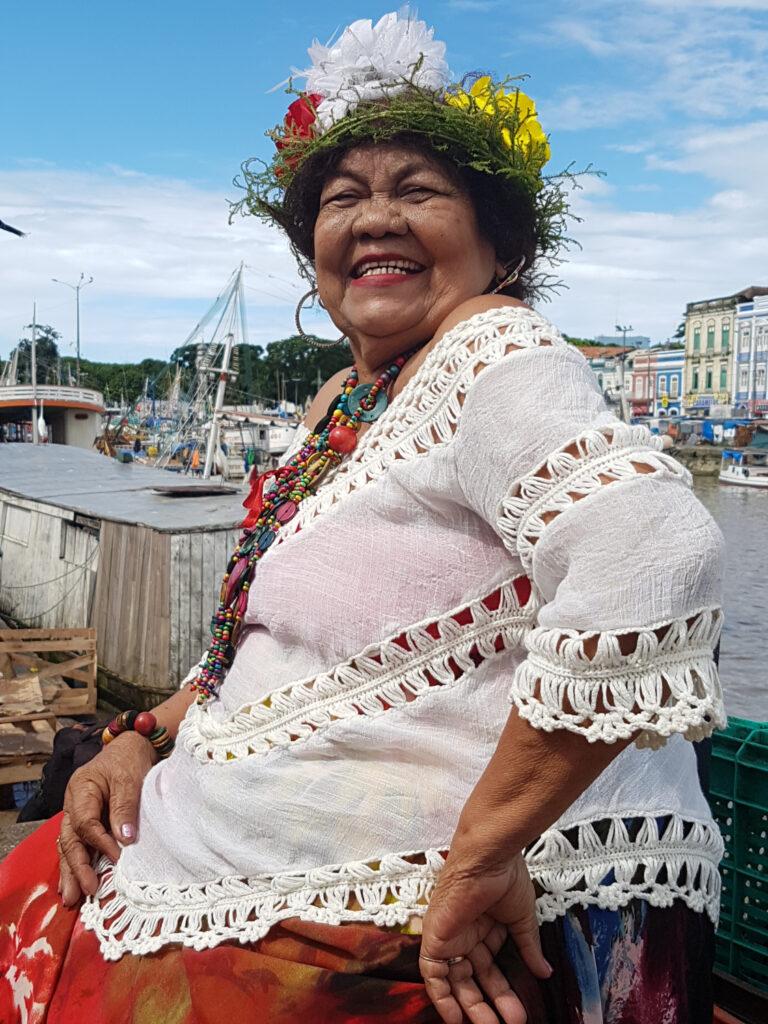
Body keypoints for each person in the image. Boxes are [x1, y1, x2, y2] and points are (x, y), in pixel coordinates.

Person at [0, 13, 725, 1024]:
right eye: (344, 200)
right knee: (40, 876)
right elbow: (267, 646)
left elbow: (651, 551)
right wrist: (137, 737)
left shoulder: (492, 349)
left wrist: (484, 851)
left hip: (433, 896)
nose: (374, 218)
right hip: (266, 824)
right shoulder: (344, 399)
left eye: (417, 190)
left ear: (498, 242)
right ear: (316, 256)